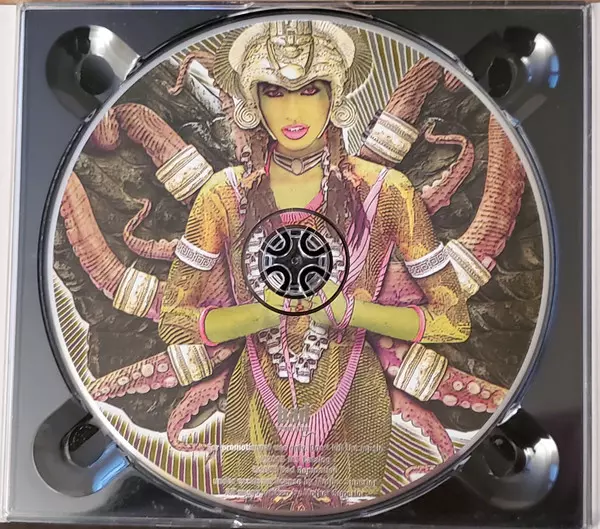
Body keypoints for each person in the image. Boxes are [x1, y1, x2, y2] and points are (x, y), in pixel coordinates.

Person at [157, 20, 471, 502]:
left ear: (335, 93)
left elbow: (454, 320)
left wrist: (349, 313)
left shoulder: (388, 191)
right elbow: (175, 322)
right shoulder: (223, 195)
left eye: (309, 89)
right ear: (252, 98)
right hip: (253, 402)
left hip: (355, 398)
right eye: (274, 91)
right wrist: (262, 315)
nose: (293, 110)